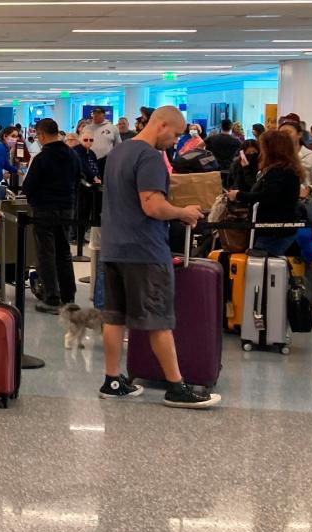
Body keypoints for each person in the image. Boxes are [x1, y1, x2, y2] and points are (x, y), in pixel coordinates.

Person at [97, 105, 220, 409]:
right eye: (176, 134)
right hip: (144, 250)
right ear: (161, 125)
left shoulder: (118, 153)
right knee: (158, 319)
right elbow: (152, 206)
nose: (176, 141)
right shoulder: (150, 156)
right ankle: (176, 386)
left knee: (114, 316)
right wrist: (183, 213)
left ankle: (112, 379)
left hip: (114, 247)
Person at [22, 118, 83, 314]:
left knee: (46, 253)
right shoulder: (73, 155)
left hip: (44, 209)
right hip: (67, 208)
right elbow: (77, 181)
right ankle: (69, 296)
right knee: (64, 252)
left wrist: (33, 198)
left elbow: (28, 186)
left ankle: (52, 297)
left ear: (41, 135)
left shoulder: (41, 158)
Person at [226, 131, 305, 256]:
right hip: (277, 229)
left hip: (274, 231)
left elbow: (268, 196)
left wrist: (238, 195)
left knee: (262, 268)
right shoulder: (287, 169)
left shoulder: (278, 171)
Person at [278, 120, 312, 203]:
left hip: (302, 205)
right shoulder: (276, 156)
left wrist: (309, 189)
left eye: (288, 132)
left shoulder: (311, 156)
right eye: (280, 134)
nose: (284, 136)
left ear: (299, 134)